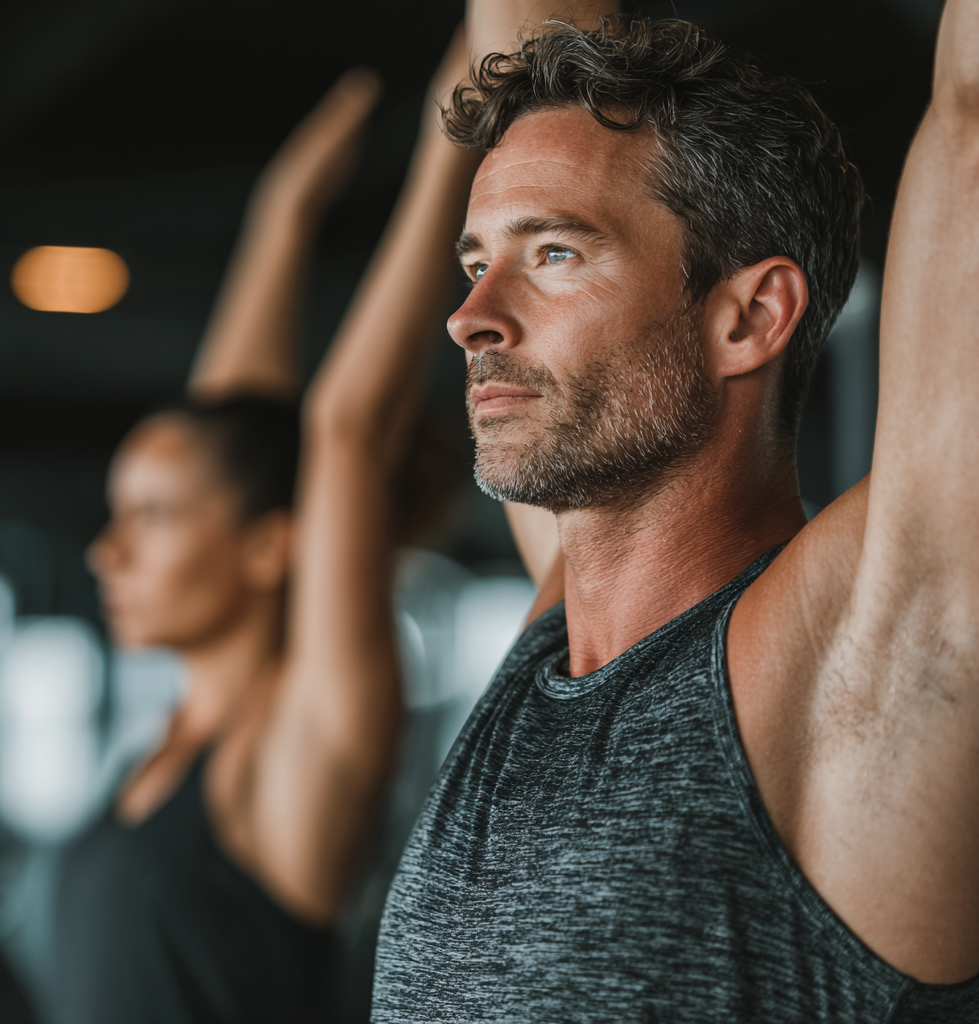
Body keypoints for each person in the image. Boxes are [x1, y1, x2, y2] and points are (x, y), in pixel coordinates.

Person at [371, 6, 979, 1023]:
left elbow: (968, 120)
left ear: (748, 316)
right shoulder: (557, 643)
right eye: (478, 261)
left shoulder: (846, 672)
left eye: (554, 253)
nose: (470, 315)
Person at [51, 29, 484, 1023]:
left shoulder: (297, 746)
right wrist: (280, 219)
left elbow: (343, 433)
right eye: (121, 516)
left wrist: (444, 145)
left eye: (148, 520)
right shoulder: (173, 737)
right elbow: (228, 451)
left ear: (267, 548)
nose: (105, 551)